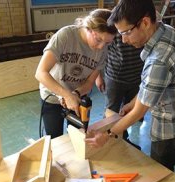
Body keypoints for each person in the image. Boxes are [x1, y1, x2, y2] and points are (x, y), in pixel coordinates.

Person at [85, 0, 175, 171]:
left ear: (144, 22)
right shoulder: (166, 30)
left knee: (161, 170)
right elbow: (152, 86)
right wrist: (133, 102)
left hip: (171, 125)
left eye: (126, 33)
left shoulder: (159, 59)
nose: (124, 40)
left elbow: (139, 112)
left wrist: (107, 135)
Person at [35, 9, 117, 139]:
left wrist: (75, 94)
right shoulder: (66, 36)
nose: (101, 47)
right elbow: (40, 73)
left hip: (77, 98)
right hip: (51, 96)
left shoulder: (102, 50)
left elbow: (90, 82)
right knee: (54, 139)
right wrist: (66, 95)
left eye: (107, 42)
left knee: (77, 137)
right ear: (88, 28)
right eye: (98, 39)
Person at [95, 34, 144, 144]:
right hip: (114, 78)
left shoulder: (140, 25)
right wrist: (97, 77)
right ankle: (106, 141)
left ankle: (122, 139)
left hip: (137, 77)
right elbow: (100, 51)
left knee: (127, 111)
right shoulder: (112, 24)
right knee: (111, 111)